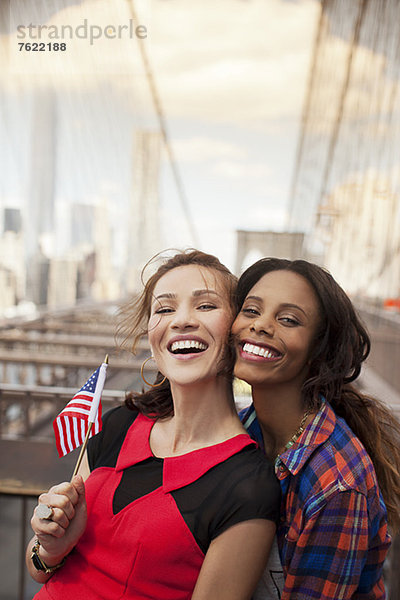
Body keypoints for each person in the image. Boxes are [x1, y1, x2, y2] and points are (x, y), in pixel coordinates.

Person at [26, 249, 281, 600]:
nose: (181, 320)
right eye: (164, 309)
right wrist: (51, 546)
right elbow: (38, 569)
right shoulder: (118, 424)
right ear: (151, 336)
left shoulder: (248, 484)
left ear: (238, 329)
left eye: (205, 306)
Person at [232, 257, 400, 600]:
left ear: (318, 350)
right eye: (251, 310)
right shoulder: (243, 426)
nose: (261, 326)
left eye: (288, 319)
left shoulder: (337, 486)